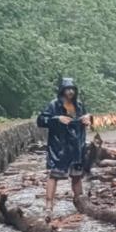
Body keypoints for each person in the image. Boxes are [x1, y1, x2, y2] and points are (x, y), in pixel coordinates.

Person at [35, 76, 89, 220]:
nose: (70, 92)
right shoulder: (53, 105)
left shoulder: (79, 105)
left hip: (76, 146)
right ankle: (48, 207)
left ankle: (82, 205)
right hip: (59, 147)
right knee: (54, 176)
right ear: (62, 90)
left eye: (72, 89)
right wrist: (57, 119)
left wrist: (87, 119)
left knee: (77, 177)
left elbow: (85, 120)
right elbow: (41, 120)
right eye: (67, 89)